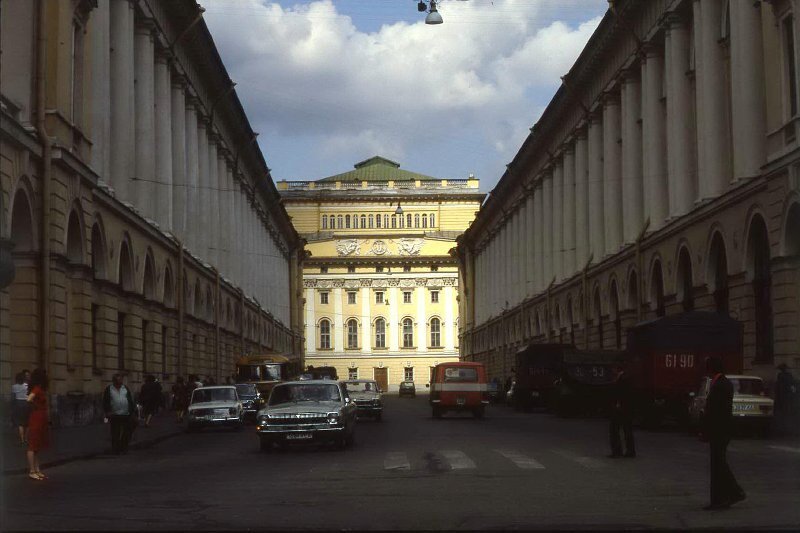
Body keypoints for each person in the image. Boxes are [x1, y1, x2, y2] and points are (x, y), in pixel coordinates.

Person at [703, 357, 746, 510]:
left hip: (719, 430)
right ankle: (724, 496)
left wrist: (708, 427)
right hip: (719, 429)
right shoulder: (721, 382)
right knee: (718, 464)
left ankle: (731, 493)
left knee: (718, 464)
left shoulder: (720, 384)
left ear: (712, 368)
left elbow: (717, 410)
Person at [103, 374, 136, 454]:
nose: (120, 382)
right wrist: (107, 411)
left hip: (126, 414)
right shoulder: (109, 389)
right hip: (114, 414)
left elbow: (129, 400)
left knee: (127, 431)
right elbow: (106, 401)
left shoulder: (125, 388)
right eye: (118, 381)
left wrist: (132, 411)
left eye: (121, 380)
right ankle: (116, 449)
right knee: (115, 432)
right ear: (114, 381)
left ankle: (123, 446)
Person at [26, 368, 50, 480]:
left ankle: (37, 469)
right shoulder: (36, 389)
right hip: (36, 417)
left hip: (40, 418)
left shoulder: (39, 388)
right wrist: (36, 406)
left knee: (37, 446)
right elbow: (29, 399)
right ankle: (32, 470)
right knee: (32, 445)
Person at [608, 363, 635, 458]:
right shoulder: (624, 378)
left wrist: (618, 404)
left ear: (616, 369)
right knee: (626, 429)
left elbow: (622, 393)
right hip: (624, 408)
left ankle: (618, 451)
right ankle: (629, 450)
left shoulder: (622, 379)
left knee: (615, 430)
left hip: (620, 408)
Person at [11, 372, 30, 445]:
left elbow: (13, 397)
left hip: (18, 404)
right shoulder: (26, 385)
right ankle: (26, 438)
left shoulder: (14, 386)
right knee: (27, 423)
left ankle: (22, 439)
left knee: (20, 423)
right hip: (26, 403)